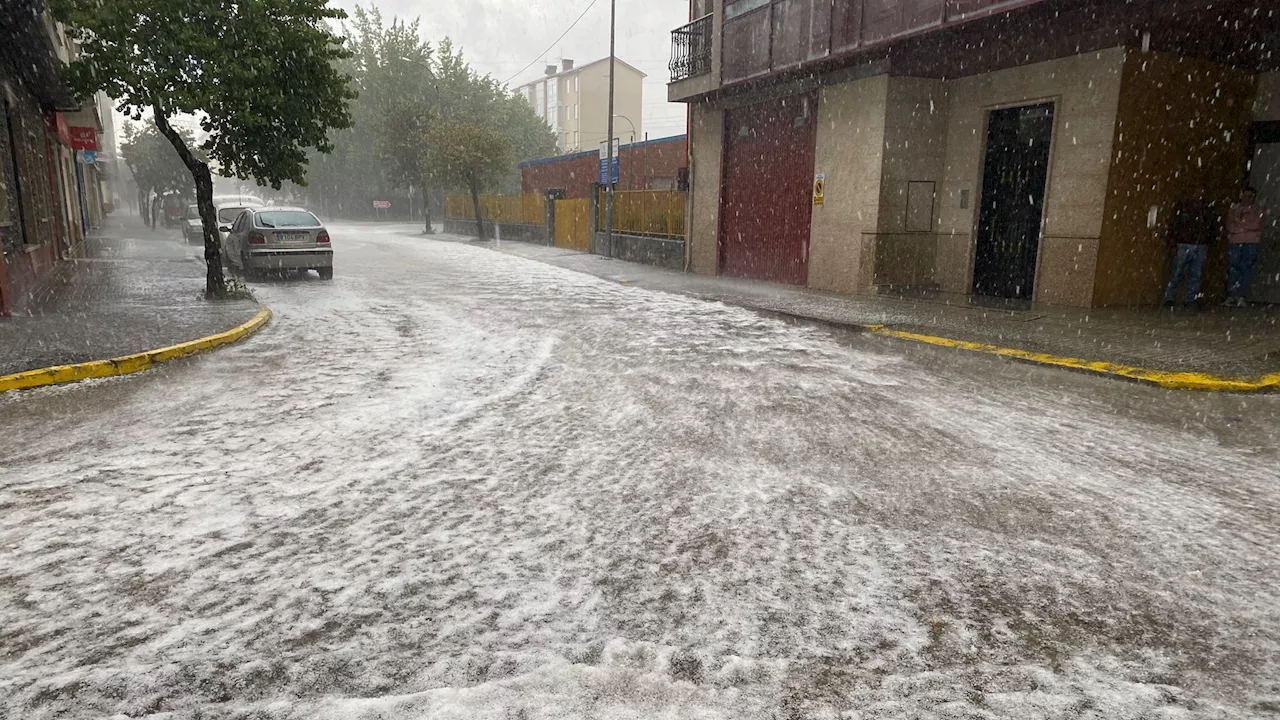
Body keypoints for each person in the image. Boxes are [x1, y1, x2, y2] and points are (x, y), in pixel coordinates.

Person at [1163, 189, 1218, 308]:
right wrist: (1173, 242)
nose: (1199, 196)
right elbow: (1174, 225)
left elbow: (1212, 227)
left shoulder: (1207, 210)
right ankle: (1170, 298)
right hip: (1184, 243)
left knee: (1194, 274)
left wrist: (1208, 240)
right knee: (1177, 272)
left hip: (1199, 244)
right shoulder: (1183, 208)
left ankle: (1189, 299)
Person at [1225, 186, 1264, 307]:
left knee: (1246, 269)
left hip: (1250, 243)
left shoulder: (1258, 210)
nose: (1247, 198)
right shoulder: (1234, 208)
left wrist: (1239, 226)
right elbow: (1229, 226)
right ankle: (1232, 295)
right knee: (1233, 268)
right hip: (1236, 242)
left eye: (1250, 196)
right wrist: (1246, 226)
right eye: (1245, 195)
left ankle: (1242, 296)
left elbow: (1256, 224)